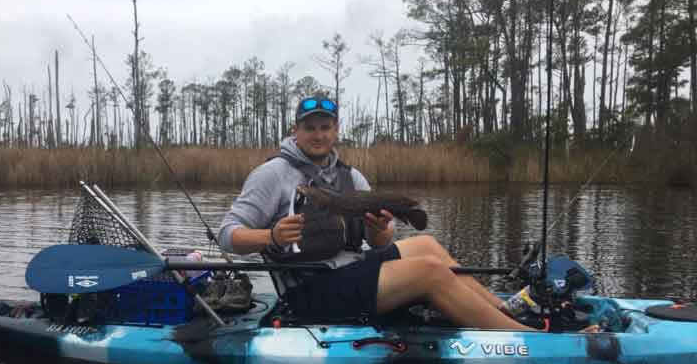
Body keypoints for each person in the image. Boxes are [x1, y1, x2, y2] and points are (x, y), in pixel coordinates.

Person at [217, 96, 537, 330]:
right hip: (309, 292)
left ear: (336, 130)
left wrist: (379, 228)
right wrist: (269, 236)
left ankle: (503, 310)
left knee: (426, 246)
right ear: (295, 131)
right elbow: (227, 234)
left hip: (349, 273)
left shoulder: (351, 176)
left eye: (325, 127)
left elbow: (380, 243)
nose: (318, 135)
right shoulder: (272, 174)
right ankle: (524, 336)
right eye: (310, 128)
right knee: (428, 270)